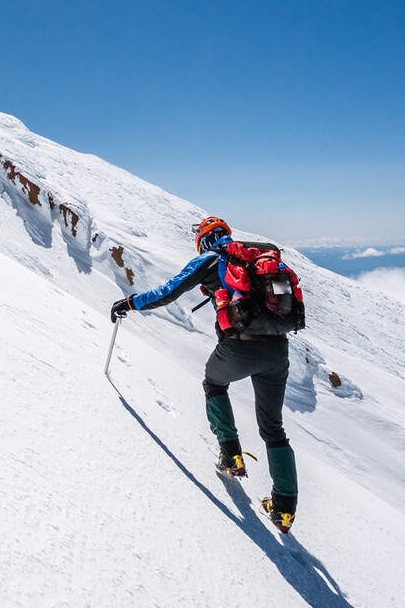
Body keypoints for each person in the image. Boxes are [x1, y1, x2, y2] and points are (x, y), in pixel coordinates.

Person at [109, 216, 300, 531]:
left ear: (204, 239)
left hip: (240, 348)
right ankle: (284, 510)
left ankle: (231, 455)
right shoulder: (259, 258)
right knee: (273, 429)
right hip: (278, 352)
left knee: (214, 383)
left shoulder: (211, 259)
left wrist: (130, 302)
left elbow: (167, 292)